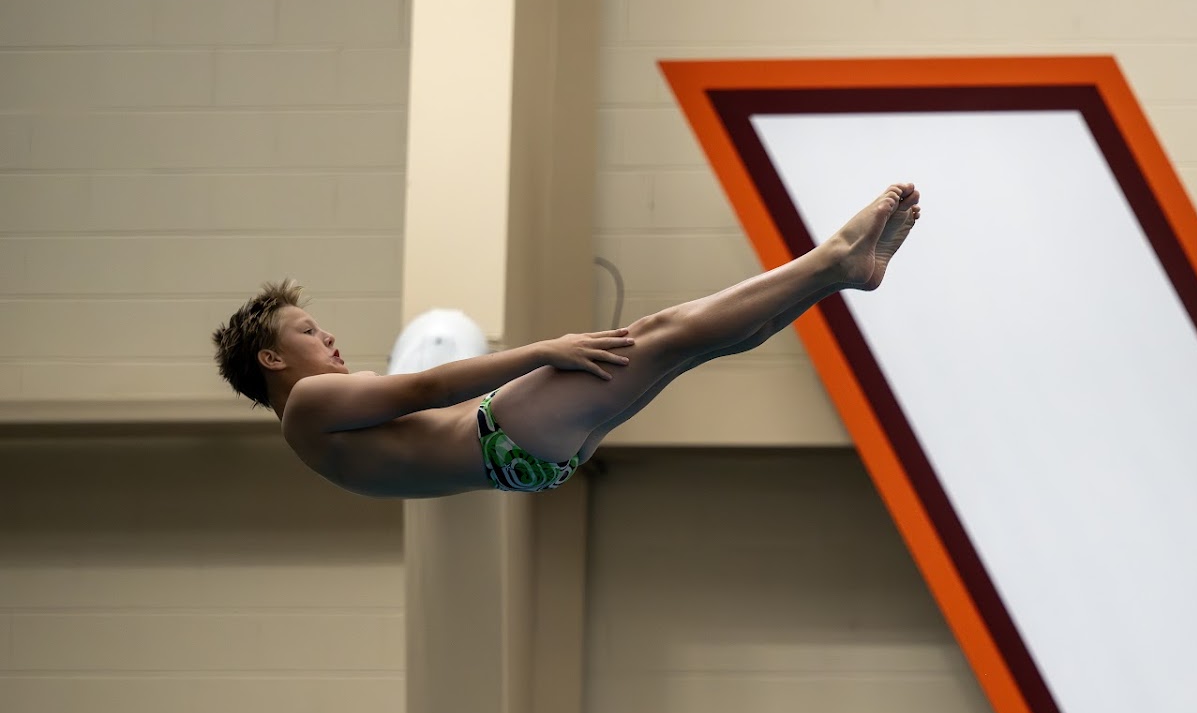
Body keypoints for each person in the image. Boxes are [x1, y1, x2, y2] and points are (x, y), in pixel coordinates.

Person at [211, 183, 920, 498]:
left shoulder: (316, 439)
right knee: (660, 334)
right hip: (500, 435)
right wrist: (545, 350)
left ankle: (837, 276)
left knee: (686, 347)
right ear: (271, 358)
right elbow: (427, 385)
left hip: (526, 462)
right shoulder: (308, 406)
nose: (328, 336)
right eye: (308, 330)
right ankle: (831, 260)